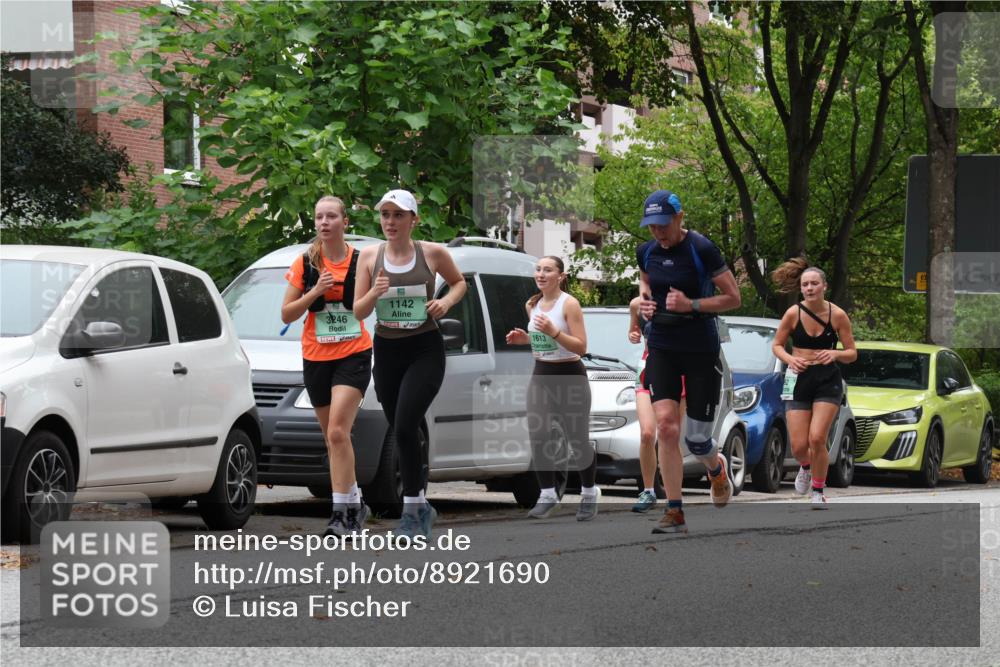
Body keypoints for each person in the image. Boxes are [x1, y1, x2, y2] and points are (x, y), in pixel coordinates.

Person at [353, 189, 466, 539]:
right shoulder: (370, 256)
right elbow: (358, 310)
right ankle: (421, 507)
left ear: (413, 220)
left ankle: (413, 509)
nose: (390, 222)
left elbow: (460, 283)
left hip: (425, 350)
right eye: (385, 215)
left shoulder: (432, 253)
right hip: (387, 351)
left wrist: (445, 303)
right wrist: (374, 292)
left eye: (398, 215)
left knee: (404, 425)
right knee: (401, 427)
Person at [636, 189, 742, 534]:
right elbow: (646, 281)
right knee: (666, 427)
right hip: (663, 346)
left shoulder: (702, 249)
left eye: (663, 225)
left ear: (679, 218)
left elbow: (733, 298)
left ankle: (716, 469)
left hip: (700, 348)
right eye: (651, 226)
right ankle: (675, 510)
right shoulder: (647, 251)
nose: (657, 232)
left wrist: (692, 305)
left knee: (697, 440)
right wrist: (645, 301)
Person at [281, 195, 372, 539]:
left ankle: (340, 513)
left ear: (344, 222)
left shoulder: (362, 261)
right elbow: (287, 314)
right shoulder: (305, 263)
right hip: (316, 355)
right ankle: (355, 503)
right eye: (319, 217)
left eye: (331, 216)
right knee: (332, 439)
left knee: (337, 431)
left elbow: (370, 301)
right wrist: (314, 291)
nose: (324, 222)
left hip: (354, 353)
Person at [505, 256, 597, 520]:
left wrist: (555, 331)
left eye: (548, 270)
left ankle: (589, 493)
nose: (541, 274)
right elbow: (539, 339)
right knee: (539, 431)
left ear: (561, 275)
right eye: (538, 269)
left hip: (570, 374)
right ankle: (547, 494)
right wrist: (524, 338)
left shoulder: (570, 304)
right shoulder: (532, 304)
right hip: (542, 372)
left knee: (576, 439)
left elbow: (581, 346)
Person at [770, 258, 857, 508]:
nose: (809, 288)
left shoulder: (837, 315)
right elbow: (776, 345)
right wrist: (789, 359)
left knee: (817, 438)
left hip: (827, 379)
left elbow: (852, 353)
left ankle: (818, 490)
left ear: (824, 286)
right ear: (801, 288)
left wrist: (835, 354)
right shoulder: (793, 313)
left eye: (814, 284)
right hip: (798, 378)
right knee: (798, 446)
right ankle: (806, 467)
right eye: (805, 284)